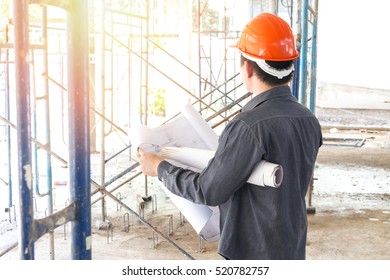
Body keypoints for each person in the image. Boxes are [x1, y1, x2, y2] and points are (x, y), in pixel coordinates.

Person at [136, 13, 322, 260]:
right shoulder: (309, 121)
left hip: (252, 254)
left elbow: (208, 191)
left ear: (246, 67)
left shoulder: (248, 126)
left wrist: (160, 168)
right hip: (291, 247)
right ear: (289, 67)